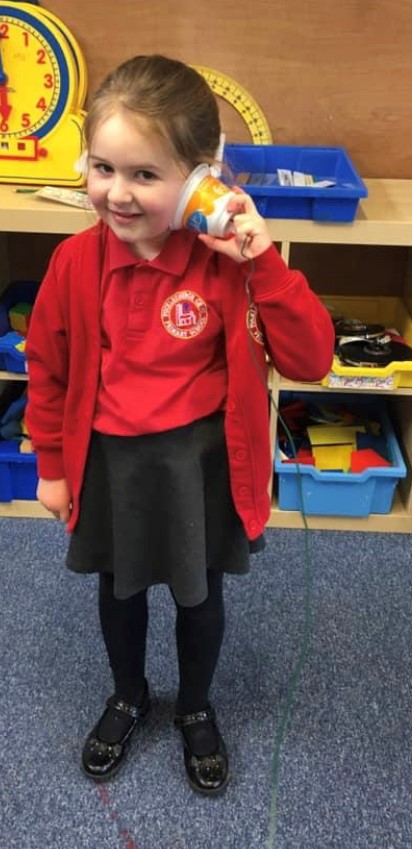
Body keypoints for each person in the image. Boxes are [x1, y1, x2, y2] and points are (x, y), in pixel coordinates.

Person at [26, 54, 335, 795]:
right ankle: (128, 694)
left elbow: (312, 358)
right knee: (118, 590)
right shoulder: (74, 262)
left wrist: (263, 262)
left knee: (199, 596)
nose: (117, 193)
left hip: (200, 464)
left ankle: (195, 705)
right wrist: (54, 468)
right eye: (103, 168)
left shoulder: (228, 264)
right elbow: (48, 368)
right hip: (111, 463)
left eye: (145, 174)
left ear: (201, 178)